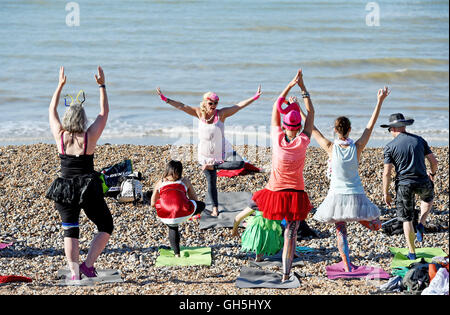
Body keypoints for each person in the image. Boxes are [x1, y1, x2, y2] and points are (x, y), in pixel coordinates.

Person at [301, 87, 390, 272]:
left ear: (335, 130)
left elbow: (312, 128)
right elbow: (370, 126)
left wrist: (298, 108)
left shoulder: (329, 147)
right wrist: (380, 101)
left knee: (341, 231)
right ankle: (368, 222)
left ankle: (347, 265)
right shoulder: (357, 147)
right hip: (356, 195)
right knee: (374, 223)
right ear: (350, 130)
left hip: (337, 198)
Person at [46, 66, 113, 281]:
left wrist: (60, 85)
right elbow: (104, 113)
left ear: (67, 119)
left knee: (70, 230)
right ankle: (87, 265)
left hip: (64, 188)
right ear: (83, 119)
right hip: (87, 188)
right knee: (105, 225)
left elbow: (51, 111)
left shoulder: (60, 135)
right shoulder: (89, 136)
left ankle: (75, 273)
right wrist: (102, 85)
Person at [156, 86, 261, 216]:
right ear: (205, 102)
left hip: (222, 149)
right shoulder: (199, 113)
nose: (214, 105)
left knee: (239, 163)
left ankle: (214, 166)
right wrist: (166, 99)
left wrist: (254, 97)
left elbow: (238, 106)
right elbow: (182, 106)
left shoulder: (221, 114)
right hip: (206, 154)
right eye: (211, 103)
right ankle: (215, 208)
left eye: (216, 103)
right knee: (211, 182)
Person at [251, 69, 314, 282]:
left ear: (285, 126)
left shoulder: (277, 138)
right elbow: (312, 114)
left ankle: (260, 253)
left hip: (275, 191)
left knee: (267, 221)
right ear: (297, 128)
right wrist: (303, 89)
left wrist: (289, 85)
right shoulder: (303, 141)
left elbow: (274, 107)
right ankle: (286, 275)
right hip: (295, 193)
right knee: (291, 235)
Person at [381, 113, 438, 260]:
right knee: (428, 198)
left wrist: (385, 193)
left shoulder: (390, 147)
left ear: (393, 128)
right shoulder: (419, 140)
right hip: (422, 181)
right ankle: (421, 223)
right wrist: (432, 173)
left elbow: (387, 172)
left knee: (407, 219)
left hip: (404, 185)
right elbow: (434, 161)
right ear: (404, 126)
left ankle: (412, 252)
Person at [151, 160, 206, 257]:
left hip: (165, 213)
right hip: (183, 210)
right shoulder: (185, 181)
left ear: (167, 170)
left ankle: (177, 254)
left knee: (173, 227)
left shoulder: (160, 182)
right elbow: (194, 199)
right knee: (201, 205)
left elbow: (152, 203)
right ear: (180, 171)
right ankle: (190, 215)